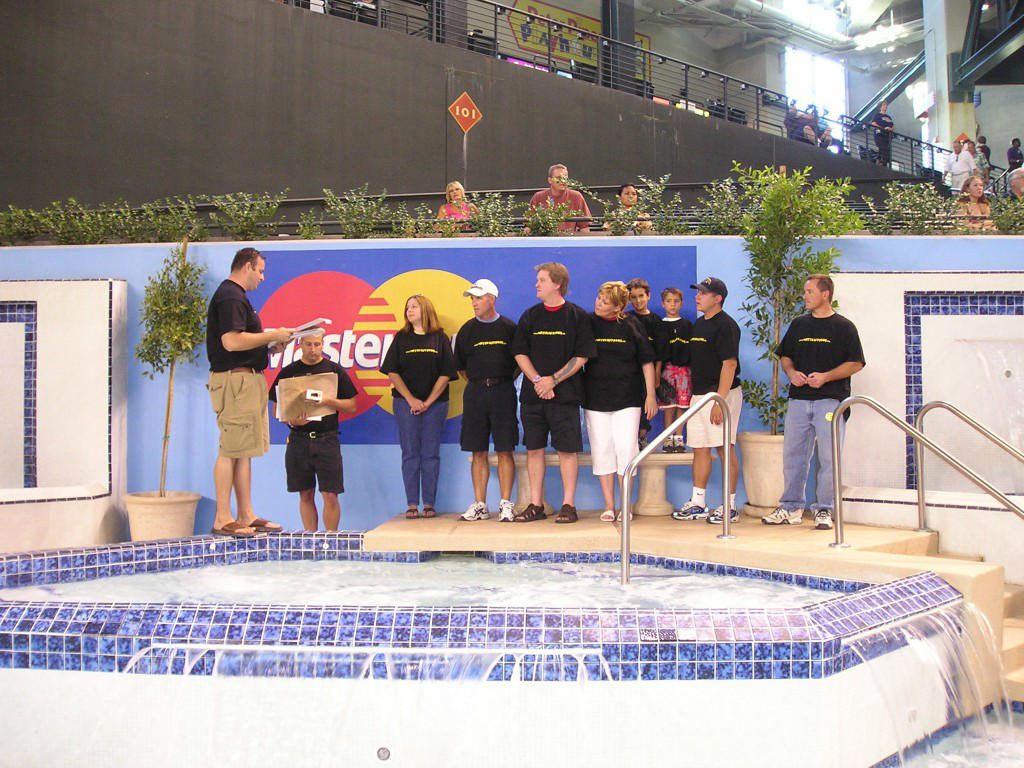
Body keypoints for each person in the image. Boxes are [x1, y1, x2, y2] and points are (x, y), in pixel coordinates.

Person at [762, 275, 865, 531]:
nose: (805, 296)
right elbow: (785, 356)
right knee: (793, 456)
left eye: (809, 291)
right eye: (805, 291)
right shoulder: (799, 325)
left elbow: (856, 363)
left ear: (825, 294)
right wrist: (791, 373)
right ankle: (791, 507)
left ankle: (824, 510)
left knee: (829, 458)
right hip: (799, 400)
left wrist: (826, 377)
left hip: (830, 401)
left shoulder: (844, 327)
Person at [206, 247, 293, 537]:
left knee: (244, 451)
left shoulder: (238, 298)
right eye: (260, 270)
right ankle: (222, 517)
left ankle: (245, 514)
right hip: (235, 382)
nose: (263, 277)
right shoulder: (230, 295)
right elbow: (231, 342)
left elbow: (243, 341)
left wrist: (269, 345)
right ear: (246, 266)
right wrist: (272, 335)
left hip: (249, 380)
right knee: (230, 448)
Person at [511, 262, 596, 523]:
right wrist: (538, 380)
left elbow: (582, 356)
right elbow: (519, 352)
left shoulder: (577, 316)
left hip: (566, 395)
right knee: (534, 449)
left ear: (557, 284)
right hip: (532, 395)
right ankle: (536, 504)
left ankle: (568, 504)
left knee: (567, 450)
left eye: (542, 280)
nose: (537, 284)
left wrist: (553, 381)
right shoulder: (530, 316)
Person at [268, 330, 358, 531]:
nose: (313, 349)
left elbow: (352, 405)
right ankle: (310, 537)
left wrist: (328, 401)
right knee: (305, 493)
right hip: (299, 439)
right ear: (300, 344)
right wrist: (291, 421)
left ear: (323, 345)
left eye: (317, 344)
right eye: (309, 344)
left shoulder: (334, 371)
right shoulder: (288, 372)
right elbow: (276, 407)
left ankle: (331, 538)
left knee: (330, 493)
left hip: (327, 439)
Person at [583, 282, 658, 522]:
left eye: (605, 301)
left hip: (628, 397)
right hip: (596, 398)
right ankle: (609, 505)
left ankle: (625, 503)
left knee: (626, 448)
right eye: (598, 298)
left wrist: (650, 395)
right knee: (602, 449)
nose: (598, 303)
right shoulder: (588, 323)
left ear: (618, 307)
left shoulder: (631, 325)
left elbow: (647, 362)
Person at [379, 294, 458, 519]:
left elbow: (446, 374)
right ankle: (412, 503)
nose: (409, 311)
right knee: (410, 453)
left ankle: (429, 504)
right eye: (407, 308)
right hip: (405, 404)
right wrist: (412, 400)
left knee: (431, 454)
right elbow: (392, 371)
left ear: (425, 310)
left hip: (435, 405)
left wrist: (428, 401)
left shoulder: (439, 339)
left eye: (414, 306)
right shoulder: (401, 338)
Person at [672, 277, 742, 525]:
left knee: (724, 447)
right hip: (699, 395)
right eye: (698, 292)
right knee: (700, 448)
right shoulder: (699, 325)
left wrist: (718, 401)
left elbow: (729, 364)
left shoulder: (726, 326)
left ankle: (730, 505)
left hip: (721, 395)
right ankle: (698, 502)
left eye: (703, 293)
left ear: (718, 298)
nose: (697, 297)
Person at [454, 278, 519, 523]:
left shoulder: (509, 328)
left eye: (478, 298)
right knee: (477, 449)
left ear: (492, 299)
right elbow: (460, 366)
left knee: (505, 449)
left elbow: (517, 365)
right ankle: (480, 504)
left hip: (503, 392)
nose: (474, 302)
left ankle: (505, 504)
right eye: (472, 298)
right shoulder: (467, 330)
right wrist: (480, 381)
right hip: (475, 393)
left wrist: (498, 381)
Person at [626, 278, 662, 446]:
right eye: (633, 297)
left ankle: (642, 436)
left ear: (648, 296)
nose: (638, 301)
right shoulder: (627, 319)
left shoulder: (656, 321)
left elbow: (659, 355)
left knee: (646, 405)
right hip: (630, 373)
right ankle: (632, 439)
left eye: (641, 296)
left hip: (648, 374)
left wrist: (655, 376)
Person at [657, 287, 692, 453]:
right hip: (667, 372)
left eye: (676, 301)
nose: (672, 305)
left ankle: (679, 437)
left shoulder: (687, 325)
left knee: (682, 405)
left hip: (684, 371)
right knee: (669, 406)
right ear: (663, 304)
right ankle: (667, 438)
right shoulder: (660, 325)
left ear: (681, 303)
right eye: (669, 301)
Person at [527, 164, 592, 233]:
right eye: (558, 178)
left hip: (569, 240)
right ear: (550, 180)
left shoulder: (576, 196)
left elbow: (584, 227)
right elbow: (529, 226)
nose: (562, 181)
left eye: (565, 178)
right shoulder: (538, 197)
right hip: (544, 240)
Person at [869, 101, 894, 167]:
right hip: (880, 135)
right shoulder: (877, 115)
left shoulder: (888, 117)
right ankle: (881, 164)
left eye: (886, 105)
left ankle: (880, 163)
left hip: (887, 136)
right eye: (884, 105)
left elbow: (893, 125)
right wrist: (883, 128)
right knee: (883, 149)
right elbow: (873, 123)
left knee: (885, 150)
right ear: (880, 107)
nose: (885, 106)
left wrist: (890, 129)